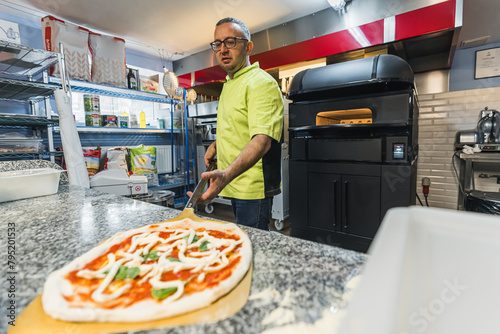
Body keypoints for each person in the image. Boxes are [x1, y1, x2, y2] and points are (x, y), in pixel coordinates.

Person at [193, 17, 284, 230]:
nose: (223, 49)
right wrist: (217, 145)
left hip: (252, 188)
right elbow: (235, 126)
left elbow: (262, 141)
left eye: (231, 41)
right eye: (218, 44)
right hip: (234, 183)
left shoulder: (260, 83)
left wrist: (224, 176)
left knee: (253, 248)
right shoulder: (230, 84)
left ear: (248, 47)